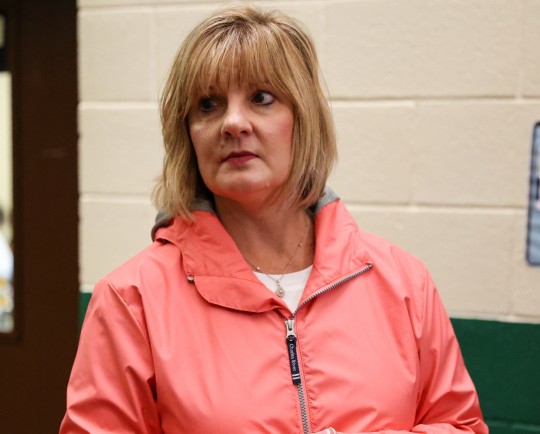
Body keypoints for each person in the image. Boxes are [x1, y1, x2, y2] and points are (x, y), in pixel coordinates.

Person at [60, 5, 488, 434]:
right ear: (187, 135)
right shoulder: (132, 300)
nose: (232, 123)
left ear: (304, 120)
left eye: (262, 98)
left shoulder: (403, 283)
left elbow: (461, 425)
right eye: (208, 104)